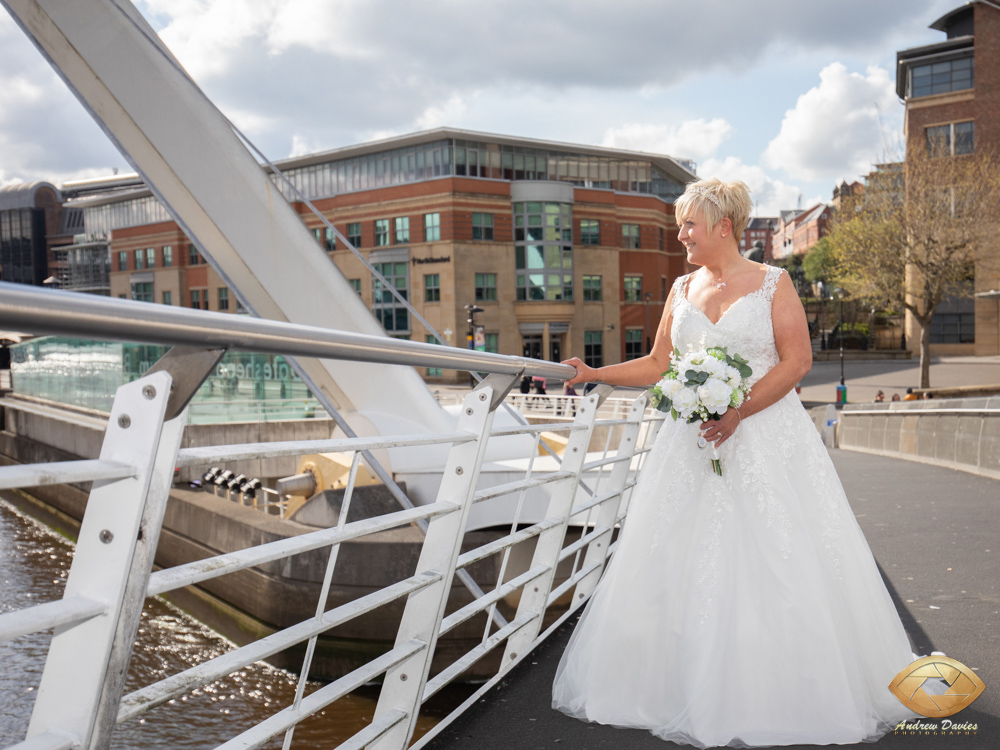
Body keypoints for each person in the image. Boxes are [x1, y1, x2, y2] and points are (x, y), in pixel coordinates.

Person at [551, 178, 923, 747]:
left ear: (723, 226)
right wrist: (595, 374)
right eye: (679, 226)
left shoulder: (774, 282)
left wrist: (739, 412)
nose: (681, 236)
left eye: (689, 225)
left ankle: (782, 691)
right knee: (679, 555)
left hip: (767, 437)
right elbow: (657, 365)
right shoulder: (680, 288)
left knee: (779, 553)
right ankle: (676, 686)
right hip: (692, 443)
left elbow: (798, 361)